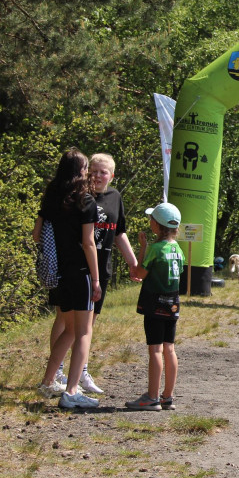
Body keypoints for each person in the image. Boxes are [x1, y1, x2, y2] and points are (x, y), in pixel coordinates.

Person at [50, 152, 138, 394]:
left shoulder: (114, 197)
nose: (98, 176)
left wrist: (133, 263)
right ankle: (57, 372)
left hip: (101, 269)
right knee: (66, 320)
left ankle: (81, 372)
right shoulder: (78, 196)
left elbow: (119, 232)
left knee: (88, 325)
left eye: (104, 172)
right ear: (87, 172)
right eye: (94, 171)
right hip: (74, 269)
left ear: (112, 175)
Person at [34, 148, 102, 410]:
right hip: (81, 273)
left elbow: (36, 234)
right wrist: (95, 279)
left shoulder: (51, 199)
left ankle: (48, 381)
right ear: (80, 172)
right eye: (86, 168)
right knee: (84, 331)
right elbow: (88, 243)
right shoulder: (85, 201)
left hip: (58, 273)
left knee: (70, 329)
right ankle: (72, 391)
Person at [126, 203, 186, 411]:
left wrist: (142, 248)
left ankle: (151, 397)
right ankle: (167, 396)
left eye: (152, 219)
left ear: (158, 226)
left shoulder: (155, 249)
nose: (150, 222)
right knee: (169, 347)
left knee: (155, 350)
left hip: (154, 302)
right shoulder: (177, 249)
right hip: (173, 303)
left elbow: (138, 274)